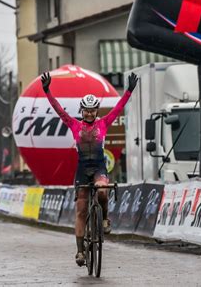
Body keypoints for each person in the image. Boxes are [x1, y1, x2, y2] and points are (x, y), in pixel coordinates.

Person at [41, 71, 138, 266]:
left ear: (97, 111)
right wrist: (47, 90)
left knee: (102, 191)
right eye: (86, 110)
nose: (90, 113)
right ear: (82, 110)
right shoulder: (74, 125)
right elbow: (58, 109)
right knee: (81, 210)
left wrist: (128, 90)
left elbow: (119, 108)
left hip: (99, 168)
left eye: (93, 110)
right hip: (82, 169)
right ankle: (80, 252)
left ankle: (104, 219)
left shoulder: (104, 123)